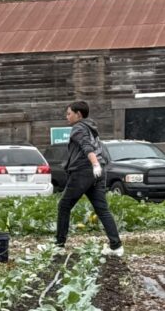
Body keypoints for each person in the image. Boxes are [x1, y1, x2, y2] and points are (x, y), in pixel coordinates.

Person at [54, 101, 125, 256]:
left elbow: (87, 147)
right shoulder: (91, 127)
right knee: (102, 209)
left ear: (78, 114)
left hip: (83, 171)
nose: (67, 116)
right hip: (98, 173)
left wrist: (94, 164)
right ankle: (116, 246)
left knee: (64, 206)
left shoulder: (78, 128)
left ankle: (59, 245)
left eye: (69, 113)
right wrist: (98, 166)